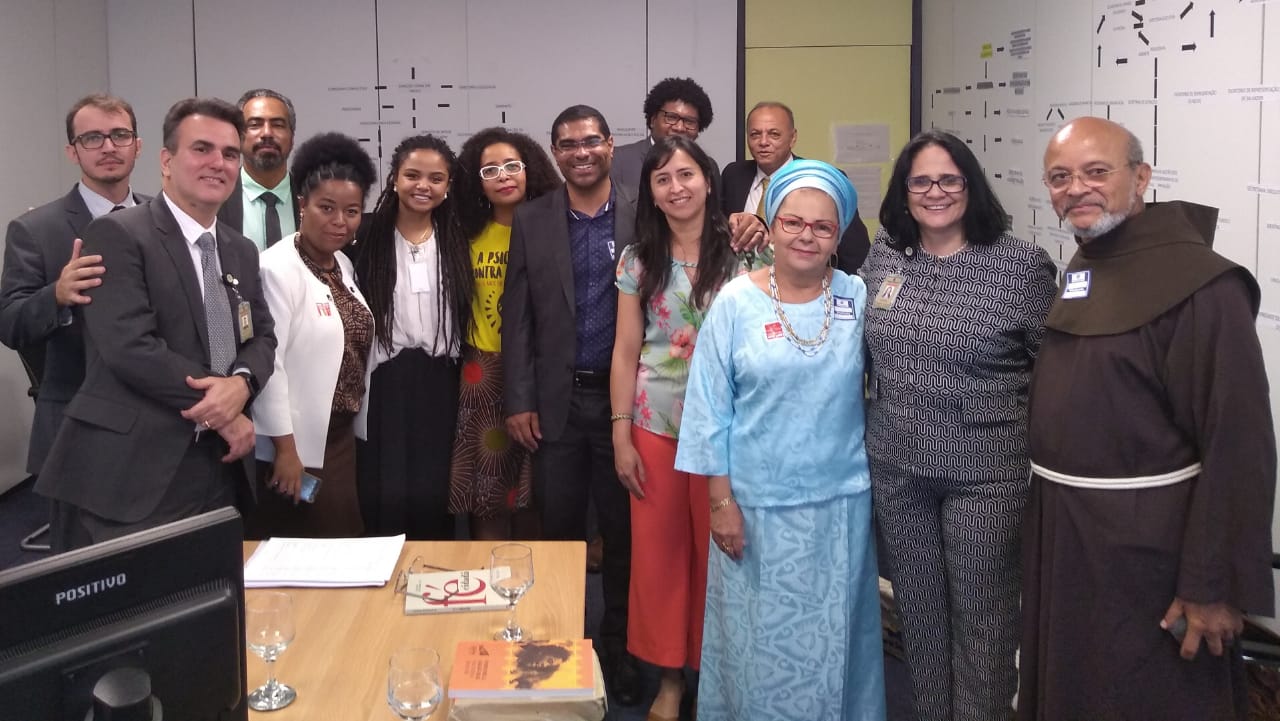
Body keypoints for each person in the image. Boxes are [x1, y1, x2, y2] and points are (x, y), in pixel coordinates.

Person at [1018, 116, 1276, 721]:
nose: (1076, 188)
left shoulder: (1202, 287)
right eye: (1060, 177)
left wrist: (1214, 586)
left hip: (1149, 553)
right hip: (1069, 535)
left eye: (1095, 172)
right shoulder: (1088, 263)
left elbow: (1238, 445)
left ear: (1141, 179)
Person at [675, 159, 886, 721]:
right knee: (760, 651)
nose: (806, 236)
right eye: (793, 222)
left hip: (840, 505)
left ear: (839, 235)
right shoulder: (735, 303)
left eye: (822, 227)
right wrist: (720, 504)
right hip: (756, 508)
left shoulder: (859, 298)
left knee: (837, 643)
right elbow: (708, 412)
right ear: (770, 225)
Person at [860, 129, 1058, 721]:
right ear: (904, 190)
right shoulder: (885, 255)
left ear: (970, 185)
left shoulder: (1020, 266)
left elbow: (1055, 372)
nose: (935, 192)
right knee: (919, 618)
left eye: (949, 179)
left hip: (984, 478)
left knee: (984, 623)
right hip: (898, 470)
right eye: (920, 180)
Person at [34, 97, 276, 551]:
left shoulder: (239, 249)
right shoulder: (120, 234)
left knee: (211, 596)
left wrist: (241, 384)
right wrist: (221, 408)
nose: (217, 163)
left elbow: (261, 336)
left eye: (229, 154)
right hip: (136, 468)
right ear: (166, 160)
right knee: (136, 610)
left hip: (220, 464)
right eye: (201, 149)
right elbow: (129, 347)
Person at [610, 135, 759, 721]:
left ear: (708, 179)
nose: (677, 187)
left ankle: (719, 674)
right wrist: (621, 433)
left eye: (687, 174)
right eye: (663, 178)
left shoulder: (749, 251)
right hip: (657, 424)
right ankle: (670, 679)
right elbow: (626, 352)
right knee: (660, 559)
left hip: (732, 430)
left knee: (722, 555)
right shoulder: (637, 259)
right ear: (650, 190)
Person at [501, 104, 643, 705]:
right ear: (554, 153)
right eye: (567, 144)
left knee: (624, 536)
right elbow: (519, 318)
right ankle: (556, 651)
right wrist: (519, 397)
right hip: (555, 405)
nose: (580, 152)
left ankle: (621, 650)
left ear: (611, 145)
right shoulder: (532, 219)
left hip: (627, 410)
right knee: (559, 537)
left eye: (591, 141)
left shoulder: (646, 212)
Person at [0, 94, 148, 482]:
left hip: (160, 421)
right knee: (83, 543)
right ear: (72, 151)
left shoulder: (164, 218)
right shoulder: (34, 230)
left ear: (138, 145)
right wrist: (57, 295)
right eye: (92, 138)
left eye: (120, 134)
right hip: (75, 424)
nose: (109, 147)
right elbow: (10, 324)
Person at [246, 133, 378, 538]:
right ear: (302, 204)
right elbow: (271, 366)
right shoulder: (277, 269)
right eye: (327, 208)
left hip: (337, 437)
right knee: (310, 550)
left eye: (352, 211)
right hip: (297, 444)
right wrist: (286, 451)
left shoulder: (341, 263)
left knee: (340, 544)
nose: (340, 221)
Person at [351, 134, 472, 540]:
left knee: (433, 482)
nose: (424, 186)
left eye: (436, 178)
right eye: (413, 175)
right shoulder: (366, 238)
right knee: (385, 483)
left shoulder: (458, 239)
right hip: (385, 379)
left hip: (441, 378)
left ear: (449, 185)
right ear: (394, 179)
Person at [447, 126, 559, 540]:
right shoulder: (465, 234)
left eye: (512, 166)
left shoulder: (553, 229)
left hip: (541, 370)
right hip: (484, 370)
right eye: (490, 170)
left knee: (536, 491)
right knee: (488, 493)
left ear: (530, 170)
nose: (503, 176)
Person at [721, 101, 872, 272]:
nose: (763, 142)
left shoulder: (820, 180)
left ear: (793, 138)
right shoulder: (733, 175)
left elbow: (855, 254)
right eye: (755, 134)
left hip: (804, 287)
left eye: (774, 134)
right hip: (745, 287)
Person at [217, 88, 297, 249]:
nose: (267, 133)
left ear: (292, 138)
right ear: (237, 137)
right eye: (254, 125)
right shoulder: (215, 199)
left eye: (278, 125)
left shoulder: (312, 197)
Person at [611, 77, 714, 192]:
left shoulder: (708, 165)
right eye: (671, 117)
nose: (679, 128)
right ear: (653, 120)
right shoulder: (617, 160)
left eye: (689, 122)